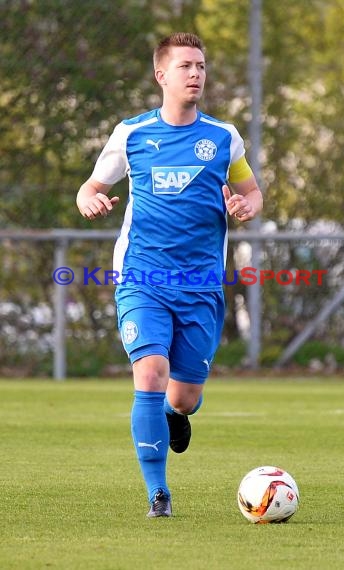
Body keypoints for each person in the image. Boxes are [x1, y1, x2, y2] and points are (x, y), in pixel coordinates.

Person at [76, 32, 263, 518]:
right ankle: (158, 493)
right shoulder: (131, 134)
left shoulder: (224, 138)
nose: (196, 74)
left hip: (200, 286)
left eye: (201, 65)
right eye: (185, 66)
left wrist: (245, 205)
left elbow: (252, 192)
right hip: (142, 278)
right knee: (151, 372)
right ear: (162, 75)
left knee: (182, 396)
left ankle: (174, 414)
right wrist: (90, 200)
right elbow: (90, 187)